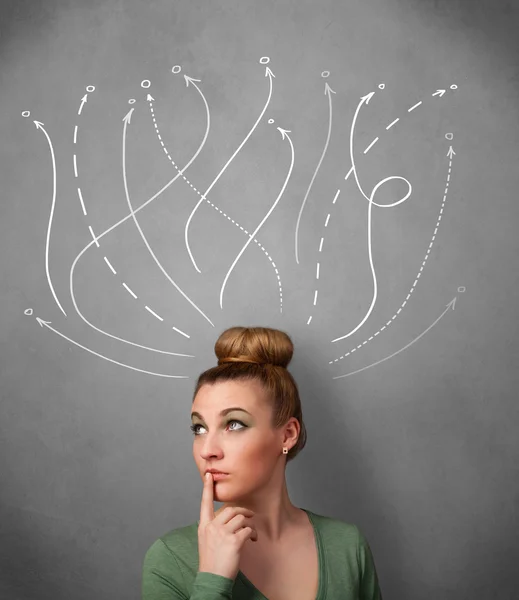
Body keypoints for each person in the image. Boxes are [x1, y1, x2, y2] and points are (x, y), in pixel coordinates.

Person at [142, 326, 383, 599]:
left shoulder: (347, 546)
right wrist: (212, 579)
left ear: (288, 434)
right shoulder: (171, 558)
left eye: (234, 424)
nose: (207, 450)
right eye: (199, 428)